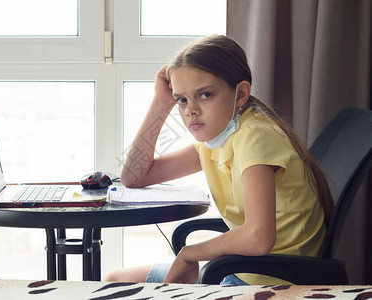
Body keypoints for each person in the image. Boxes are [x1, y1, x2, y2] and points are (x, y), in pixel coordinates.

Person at [104, 34, 334, 285]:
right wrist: (161, 102)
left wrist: (190, 253)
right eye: (181, 99)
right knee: (115, 279)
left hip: (268, 278)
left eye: (205, 95)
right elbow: (135, 176)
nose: (190, 110)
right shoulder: (217, 139)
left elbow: (259, 237)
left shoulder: (255, 137)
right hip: (238, 266)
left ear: (241, 94)